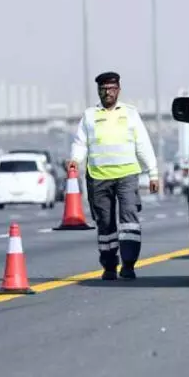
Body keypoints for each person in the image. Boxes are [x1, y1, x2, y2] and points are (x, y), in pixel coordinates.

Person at [67, 71, 159, 280]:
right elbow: (81, 143)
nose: (107, 92)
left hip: (127, 175)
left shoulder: (130, 114)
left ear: (118, 90)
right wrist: (75, 160)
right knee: (105, 223)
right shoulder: (90, 115)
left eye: (111, 89)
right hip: (98, 177)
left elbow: (143, 144)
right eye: (103, 89)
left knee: (129, 220)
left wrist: (153, 174)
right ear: (99, 91)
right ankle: (109, 266)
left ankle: (128, 264)